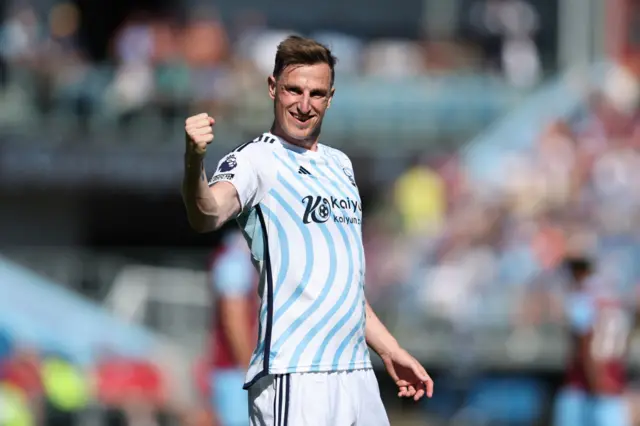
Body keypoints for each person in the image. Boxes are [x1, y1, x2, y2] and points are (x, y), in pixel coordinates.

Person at [181, 35, 433, 425]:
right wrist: (193, 161)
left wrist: (389, 348)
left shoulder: (341, 166)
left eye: (316, 93)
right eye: (293, 90)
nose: (303, 105)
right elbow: (206, 214)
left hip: (356, 372)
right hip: (296, 374)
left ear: (330, 97)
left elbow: (343, 287)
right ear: (272, 88)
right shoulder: (257, 159)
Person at [553, 257, 632, 426]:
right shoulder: (608, 299)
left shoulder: (584, 298)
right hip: (604, 382)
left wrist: (597, 378)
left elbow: (585, 343)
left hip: (591, 386)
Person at [207, 230, 258, 426]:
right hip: (236, 375)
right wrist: (252, 372)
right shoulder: (235, 258)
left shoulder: (238, 254)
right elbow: (233, 320)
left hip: (237, 373)